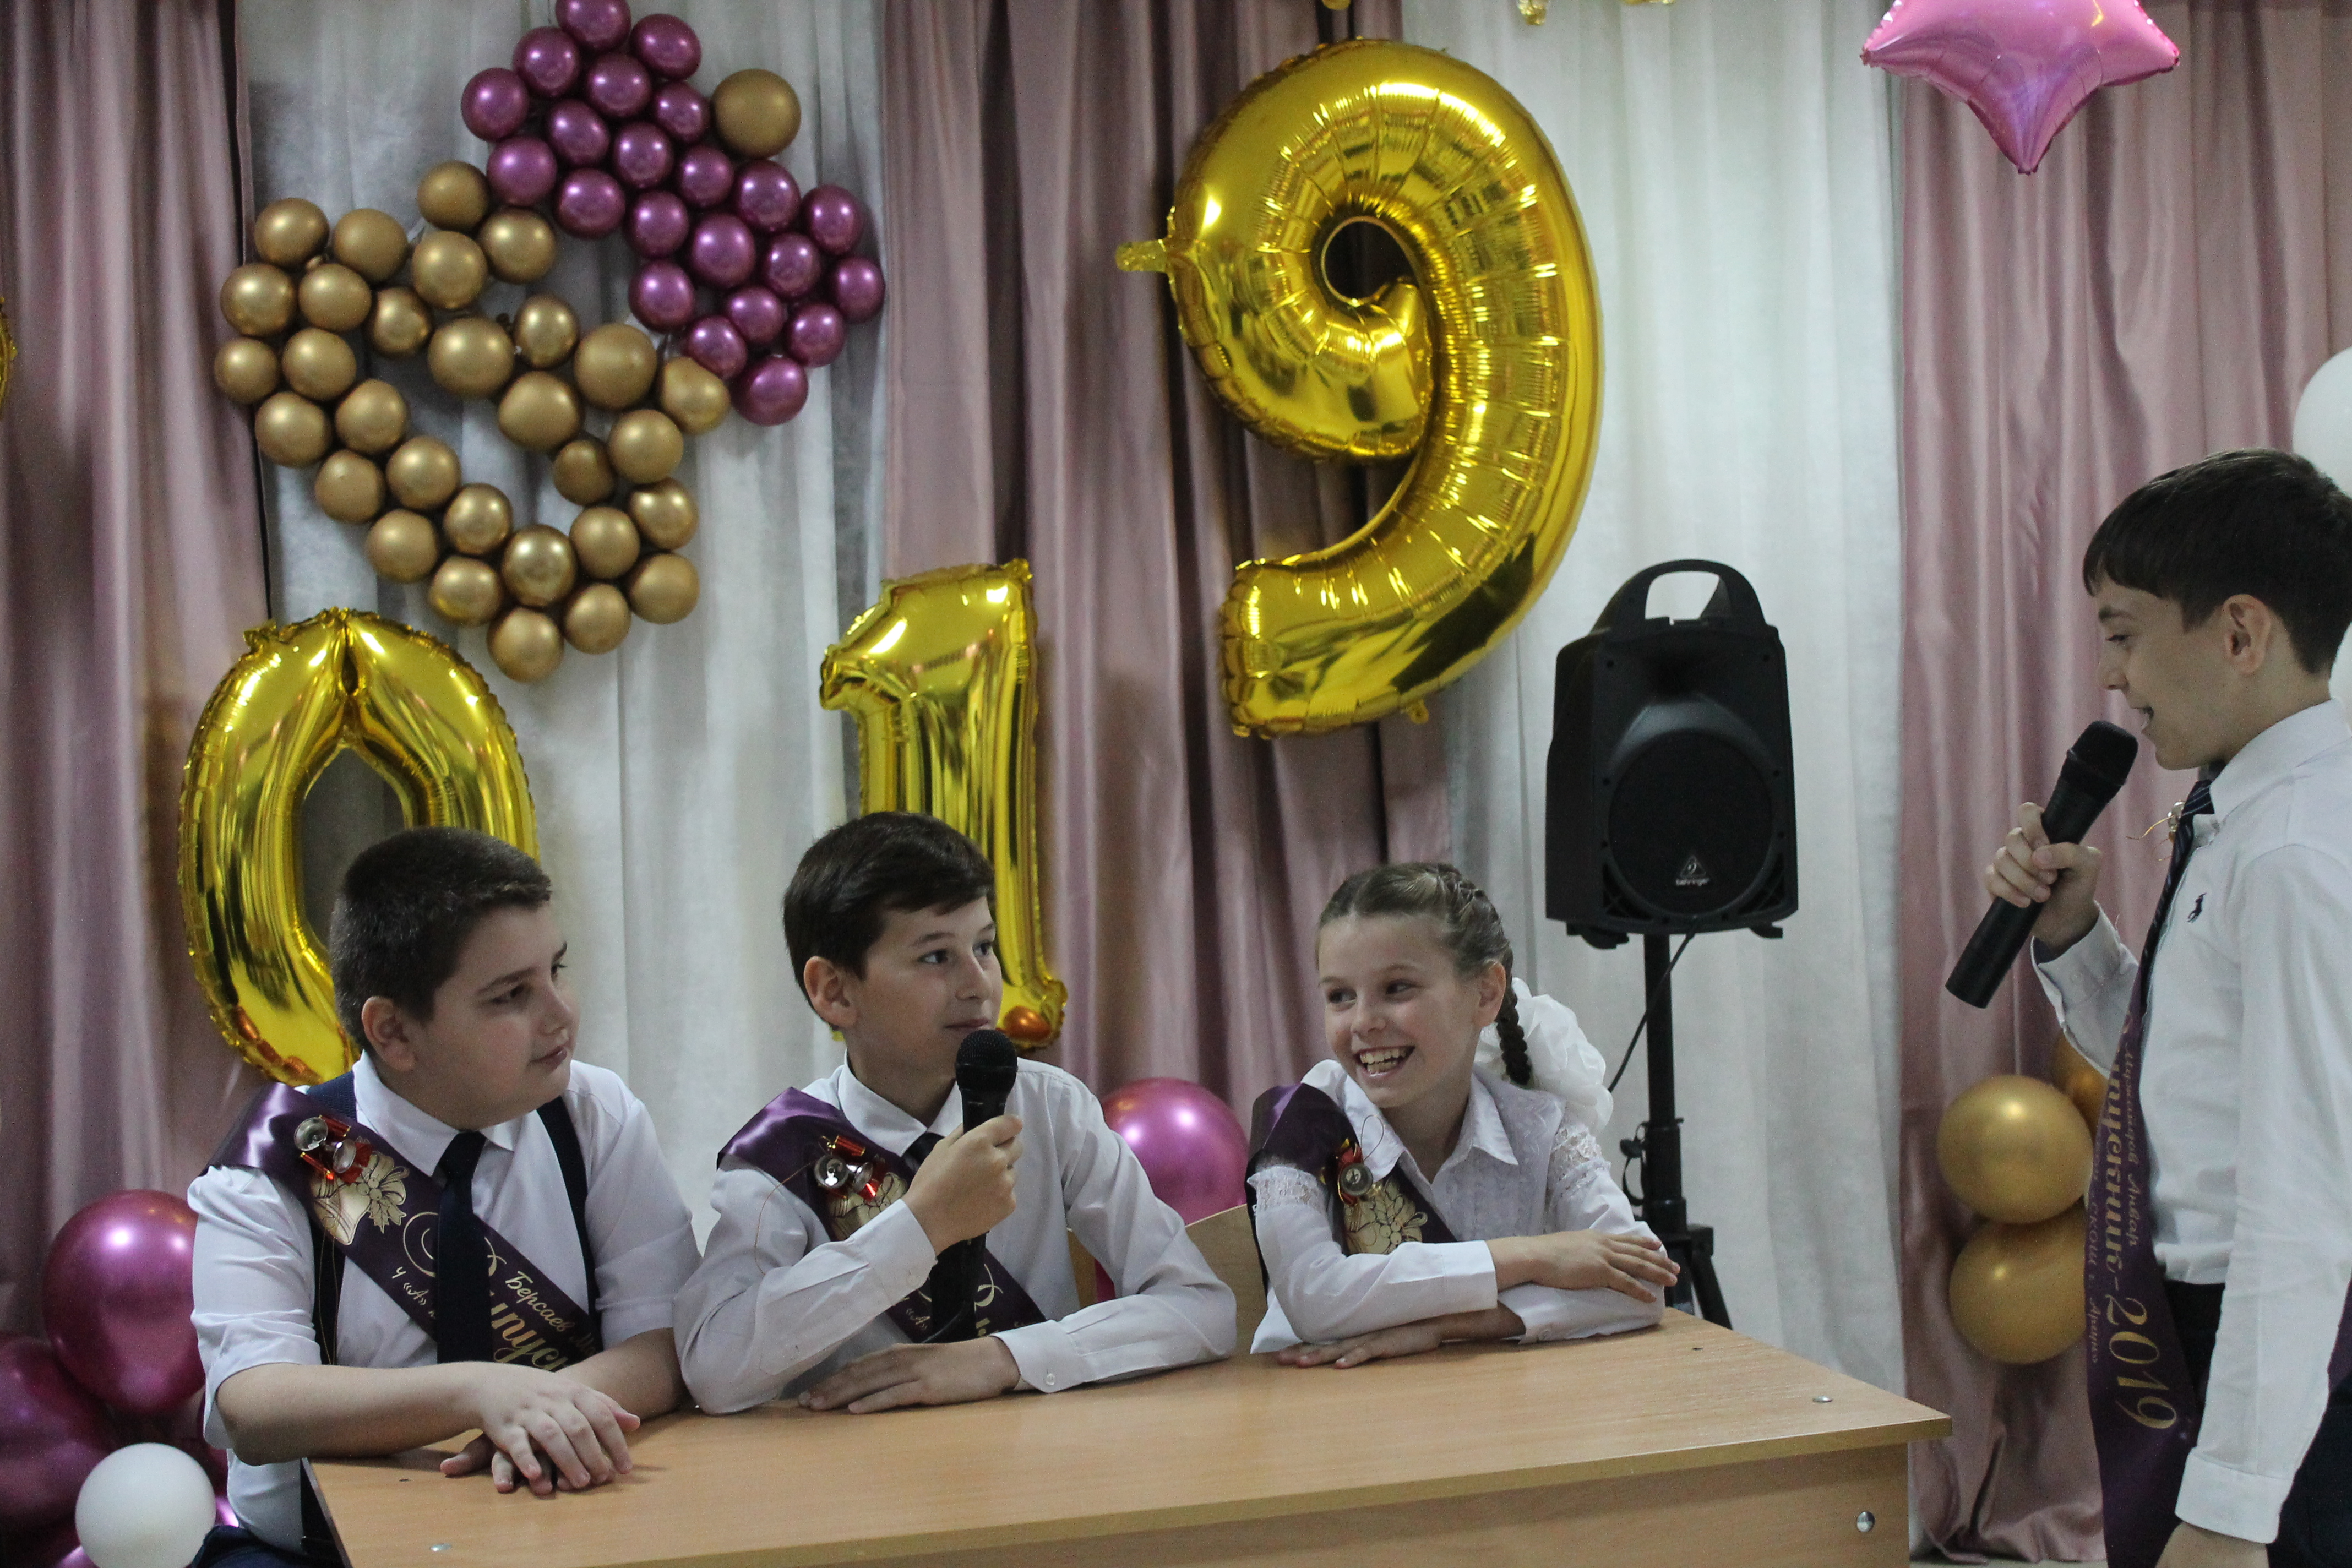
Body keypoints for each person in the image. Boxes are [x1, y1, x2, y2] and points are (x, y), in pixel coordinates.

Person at [1983, 449, 2352, 1568]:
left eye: (2124, 632)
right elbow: (2193, 1073)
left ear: (2239, 633)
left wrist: (2233, 1506)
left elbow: (2302, 1195)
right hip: (2226, 1337)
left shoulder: (2292, 853)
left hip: (2284, 1352)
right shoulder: (2250, 814)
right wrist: (2072, 939)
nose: (2109, 675)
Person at [188, 828, 701, 1568]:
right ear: (394, 1031)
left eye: (557, 970)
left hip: (566, 1525)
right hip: (320, 1555)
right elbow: (253, 1403)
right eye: (511, 995)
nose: (560, 1014)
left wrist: (540, 1413)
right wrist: (476, 1393)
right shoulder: (291, 1156)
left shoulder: (593, 1115)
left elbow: (665, 1341)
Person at [675, 811, 1233, 1415]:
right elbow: (714, 1369)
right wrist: (919, 1227)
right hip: (861, 1461)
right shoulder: (782, 1153)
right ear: (834, 991)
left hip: (1042, 1448)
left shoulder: (1050, 1108)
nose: (979, 984)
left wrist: (1005, 1359)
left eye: (984, 947)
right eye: (936, 956)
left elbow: (1200, 1307)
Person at [1248, 862, 1677, 1365]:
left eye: (1397, 987)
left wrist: (1444, 1329)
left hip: (1495, 1399)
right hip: (1324, 1401)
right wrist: (1530, 1256)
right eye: (1340, 996)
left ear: (1486, 993)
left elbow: (1644, 1285)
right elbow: (1315, 1299)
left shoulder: (1539, 1128)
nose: (1363, 1022)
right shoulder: (1303, 1121)